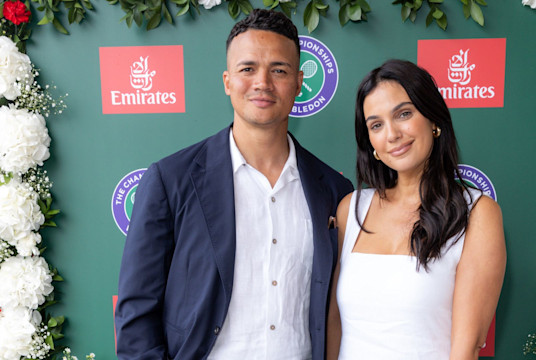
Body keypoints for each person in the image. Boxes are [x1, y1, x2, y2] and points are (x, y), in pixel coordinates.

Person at [114, 9, 353, 360]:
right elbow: (136, 314)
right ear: (227, 81)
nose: (263, 82)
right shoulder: (171, 180)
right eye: (248, 69)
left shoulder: (334, 190)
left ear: (300, 82)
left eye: (279, 70)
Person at [326, 59, 506, 359]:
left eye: (404, 114)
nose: (392, 134)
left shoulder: (477, 213)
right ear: (370, 142)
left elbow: (467, 347)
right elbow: (334, 326)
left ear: (434, 120)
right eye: (376, 125)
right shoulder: (351, 209)